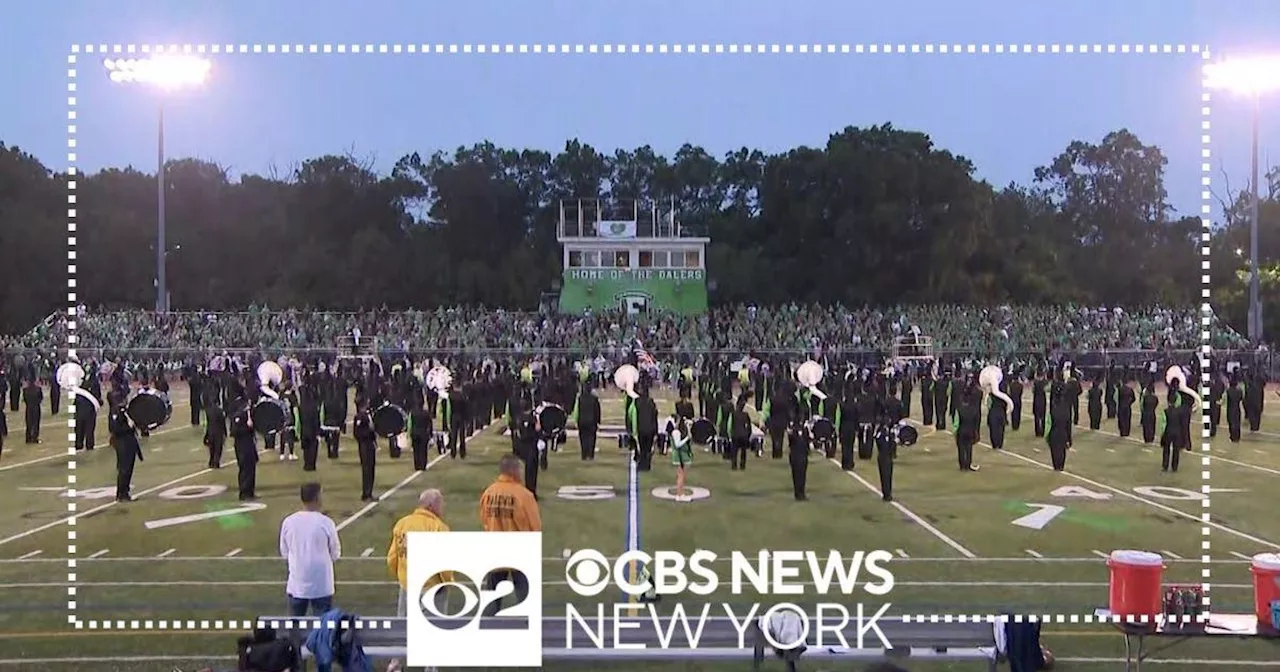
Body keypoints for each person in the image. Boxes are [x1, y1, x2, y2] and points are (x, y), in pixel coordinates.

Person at [479, 455, 541, 616]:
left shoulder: (488, 493)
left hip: (495, 550)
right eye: (519, 469)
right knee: (526, 599)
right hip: (519, 552)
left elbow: (484, 520)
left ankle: (485, 629)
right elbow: (535, 526)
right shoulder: (524, 495)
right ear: (513, 471)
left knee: (491, 600)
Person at [279, 482, 341, 617]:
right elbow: (335, 553)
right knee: (323, 630)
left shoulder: (289, 522)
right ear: (317, 498)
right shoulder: (326, 522)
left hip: (297, 583)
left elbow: (284, 552)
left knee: (295, 629)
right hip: (321, 585)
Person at [387, 489, 451, 617]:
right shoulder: (439, 527)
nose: (443, 507)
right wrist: (447, 581)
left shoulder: (402, 523)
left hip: (407, 585)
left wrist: (403, 577)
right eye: (440, 503)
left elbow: (392, 558)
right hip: (431, 586)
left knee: (404, 629)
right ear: (431, 506)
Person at [107, 390, 142, 501]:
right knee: (124, 468)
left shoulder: (123, 410)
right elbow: (115, 429)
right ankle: (121, 493)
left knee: (129, 468)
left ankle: (125, 491)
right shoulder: (115, 412)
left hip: (129, 441)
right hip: (122, 442)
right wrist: (129, 427)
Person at [229, 393, 258, 500]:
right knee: (245, 469)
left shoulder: (248, 414)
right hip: (242, 446)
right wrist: (247, 426)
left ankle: (250, 492)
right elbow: (234, 432)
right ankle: (244, 492)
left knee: (251, 469)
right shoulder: (238, 416)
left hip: (250, 445)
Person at [354, 401, 378, 502]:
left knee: (371, 469)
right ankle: (366, 494)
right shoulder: (359, 416)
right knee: (367, 470)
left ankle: (369, 493)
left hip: (370, 445)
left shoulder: (368, 414)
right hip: (365, 445)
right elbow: (357, 433)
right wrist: (369, 432)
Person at [787, 415, 810, 501]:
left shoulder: (803, 430)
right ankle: (799, 493)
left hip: (797, 454)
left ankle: (799, 493)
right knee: (800, 475)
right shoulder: (795, 430)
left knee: (798, 475)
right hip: (798, 454)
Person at [669, 418, 693, 499]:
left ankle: (681, 493)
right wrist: (687, 438)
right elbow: (677, 444)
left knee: (683, 476)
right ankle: (679, 495)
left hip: (682, 456)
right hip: (679, 456)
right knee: (681, 476)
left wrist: (688, 429)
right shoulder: (676, 432)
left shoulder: (678, 431)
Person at [23, 378, 42, 444]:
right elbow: (40, 398)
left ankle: (28, 438)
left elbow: (25, 399)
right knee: (36, 423)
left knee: (28, 423)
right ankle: (34, 438)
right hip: (36, 407)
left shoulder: (25, 390)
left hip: (29, 408)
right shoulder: (38, 389)